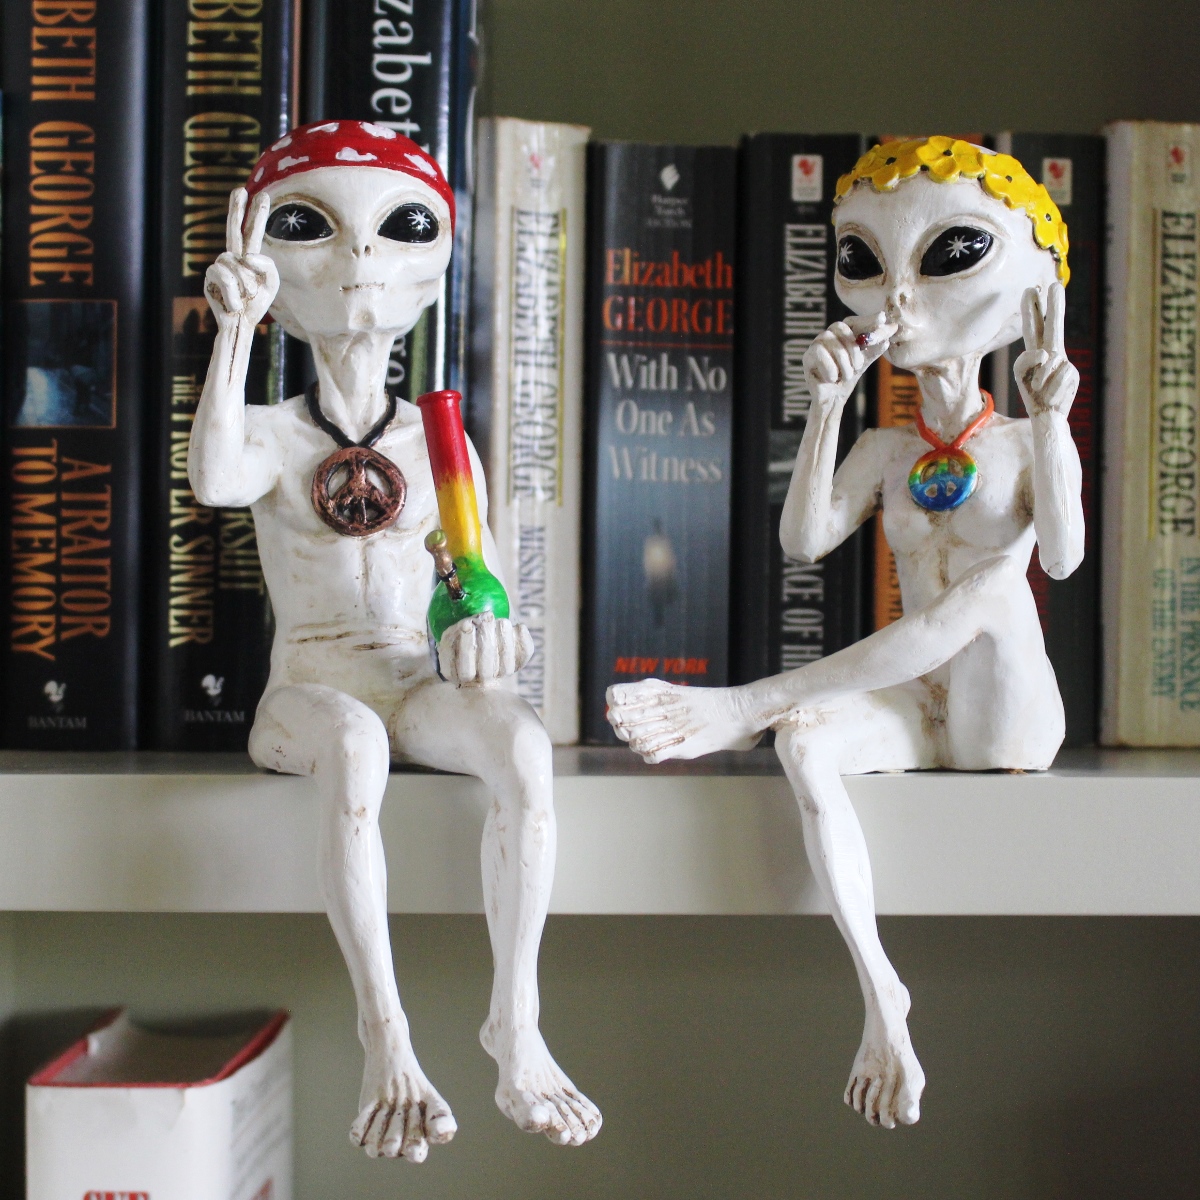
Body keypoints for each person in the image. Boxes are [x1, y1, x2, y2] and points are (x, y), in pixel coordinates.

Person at [607, 137, 1082, 1130]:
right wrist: (825, 407)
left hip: (1002, 715)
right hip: (916, 703)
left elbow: (1066, 557)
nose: (896, 294)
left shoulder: (1013, 440)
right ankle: (880, 994)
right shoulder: (886, 446)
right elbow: (804, 540)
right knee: (806, 742)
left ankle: (745, 702)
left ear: (1033, 290)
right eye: (865, 260)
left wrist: (1050, 423)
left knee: (999, 587)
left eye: (946, 256)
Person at [189, 120, 601, 1161]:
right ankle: (387, 1036)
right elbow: (216, 480)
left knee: (522, 748)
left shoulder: (435, 436)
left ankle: (517, 1024)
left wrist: (487, 631)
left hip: (413, 678)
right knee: (356, 746)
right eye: (311, 226)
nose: (362, 255)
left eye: (399, 227)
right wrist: (234, 332)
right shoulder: (275, 432)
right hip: (310, 688)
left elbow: (480, 576)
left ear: (433, 264)